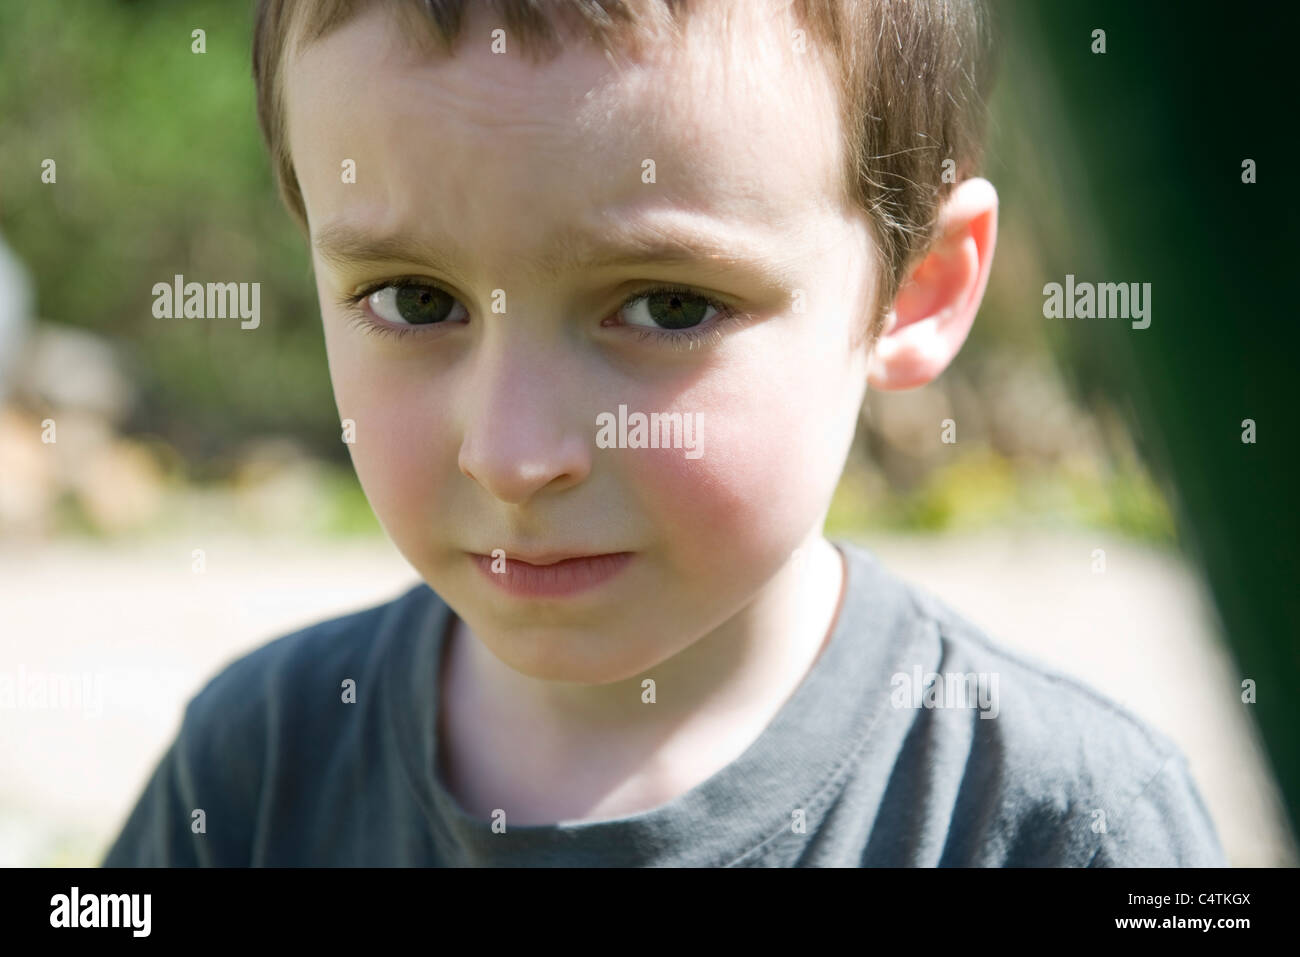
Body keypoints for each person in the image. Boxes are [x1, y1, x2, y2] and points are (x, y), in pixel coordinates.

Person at [101, 0, 1226, 866]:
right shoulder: (254, 769)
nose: (512, 454)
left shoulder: (1061, 822)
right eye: (413, 299)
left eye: (668, 306)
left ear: (915, 289)